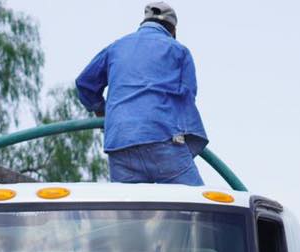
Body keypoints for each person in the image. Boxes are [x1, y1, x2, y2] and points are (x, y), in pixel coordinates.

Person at [76, 3, 208, 185]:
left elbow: (84, 84)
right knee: (193, 206)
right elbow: (187, 96)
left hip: (120, 143)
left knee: (128, 210)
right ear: (173, 31)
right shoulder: (178, 50)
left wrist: (102, 111)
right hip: (163, 139)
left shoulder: (116, 48)